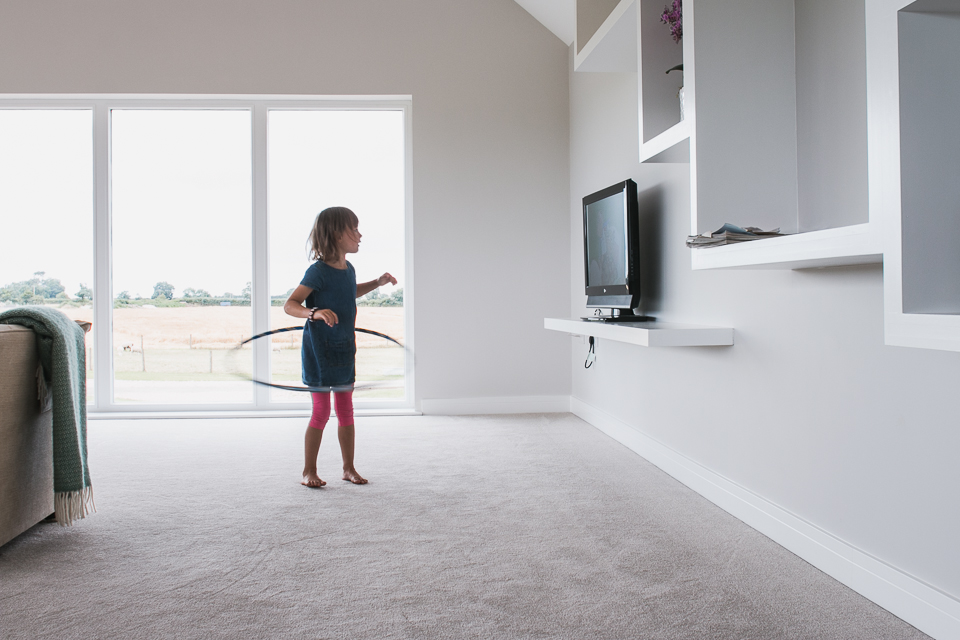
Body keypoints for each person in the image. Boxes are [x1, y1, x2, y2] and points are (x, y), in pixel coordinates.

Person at [284, 206, 397, 488]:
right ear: (336, 235)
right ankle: (309, 470)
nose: (360, 234)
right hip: (320, 352)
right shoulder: (318, 271)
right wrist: (315, 313)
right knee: (321, 412)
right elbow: (290, 304)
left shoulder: (349, 269)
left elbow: (349, 291)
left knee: (346, 410)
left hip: (345, 348)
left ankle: (348, 468)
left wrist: (377, 282)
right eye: (354, 229)